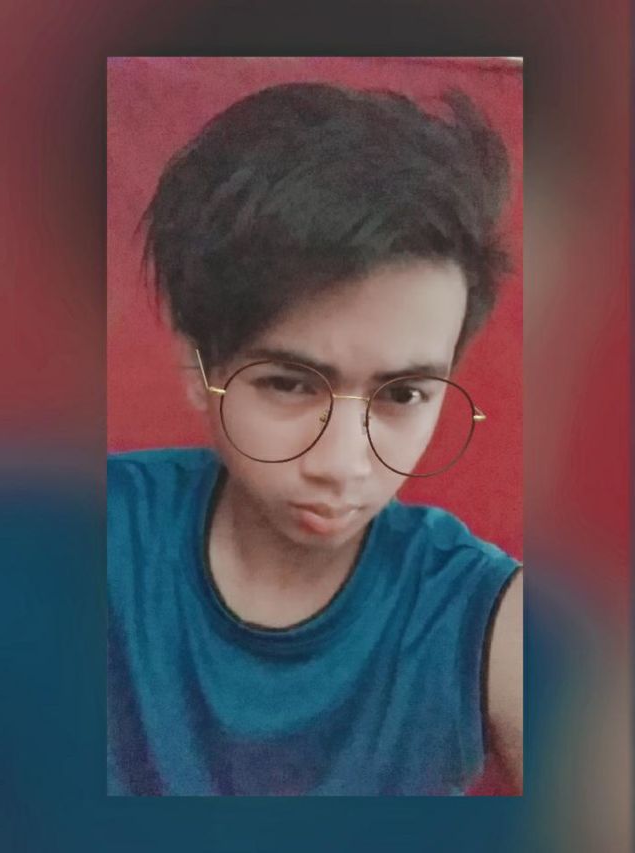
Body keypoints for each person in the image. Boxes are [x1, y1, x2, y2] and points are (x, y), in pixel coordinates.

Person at [107, 81, 523, 796]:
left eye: (402, 395)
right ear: (198, 368)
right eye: (290, 384)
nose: (343, 465)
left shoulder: (476, 612)